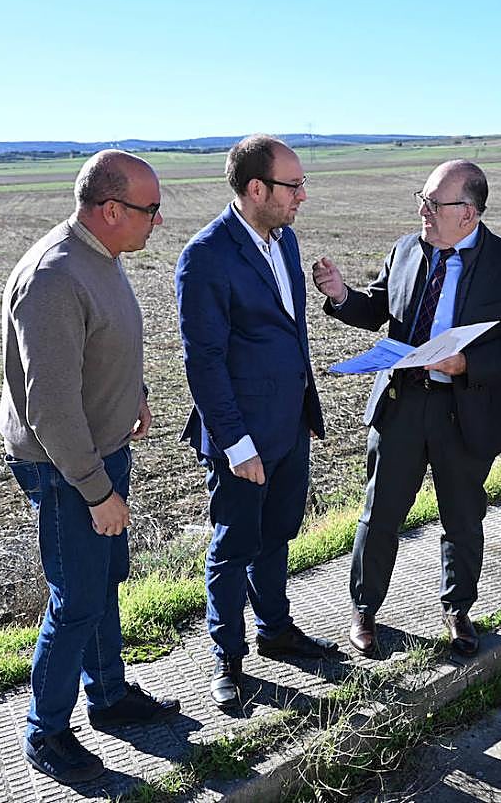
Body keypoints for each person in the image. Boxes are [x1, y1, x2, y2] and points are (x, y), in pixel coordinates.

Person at [312, 160, 501, 658]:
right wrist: (340, 296)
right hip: (402, 403)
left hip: (465, 409)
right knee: (380, 513)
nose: (423, 210)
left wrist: (469, 364)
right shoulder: (405, 249)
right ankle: (364, 608)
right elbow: (379, 308)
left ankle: (458, 609)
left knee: (462, 516)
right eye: (422, 198)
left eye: (434, 204)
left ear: (469, 212)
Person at [0, 150, 179, 784]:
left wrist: (135, 396)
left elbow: (107, 342)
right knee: (75, 598)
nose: (157, 221)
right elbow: (50, 408)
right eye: (150, 210)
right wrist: (98, 491)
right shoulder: (54, 277)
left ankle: (109, 698)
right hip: (65, 467)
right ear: (110, 210)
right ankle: (46, 734)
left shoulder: (102, 257)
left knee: (103, 580)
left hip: (100, 451)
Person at [175, 135, 336, 711]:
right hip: (242, 435)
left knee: (278, 535)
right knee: (233, 546)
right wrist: (235, 444)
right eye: (294, 186)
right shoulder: (207, 256)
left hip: (290, 422)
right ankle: (228, 655)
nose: (303, 197)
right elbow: (205, 361)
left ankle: (276, 628)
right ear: (256, 189)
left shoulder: (283, 240)